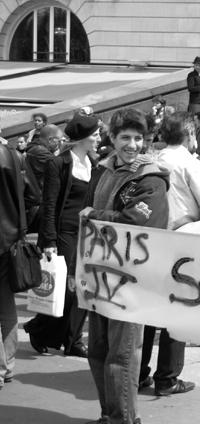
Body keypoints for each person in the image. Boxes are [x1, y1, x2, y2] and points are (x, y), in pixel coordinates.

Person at [82, 108, 171, 424]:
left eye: (138, 138)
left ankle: (122, 422)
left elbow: (136, 222)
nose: (132, 145)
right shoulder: (103, 171)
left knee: (122, 352)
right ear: (113, 140)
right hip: (100, 272)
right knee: (98, 349)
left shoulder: (151, 178)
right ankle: (110, 412)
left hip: (134, 277)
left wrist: (96, 216)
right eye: (125, 138)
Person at [141, 112, 200, 397]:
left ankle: (139, 372)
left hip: (148, 243)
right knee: (176, 310)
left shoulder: (149, 161)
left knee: (148, 308)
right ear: (190, 134)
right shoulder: (191, 165)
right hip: (181, 246)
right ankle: (166, 378)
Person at [23, 114, 99, 359]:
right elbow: (49, 204)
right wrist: (49, 241)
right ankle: (37, 328)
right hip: (64, 232)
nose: (99, 138)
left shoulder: (94, 164)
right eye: (95, 134)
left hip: (87, 233)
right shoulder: (59, 163)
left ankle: (73, 340)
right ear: (82, 138)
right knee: (66, 290)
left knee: (84, 288)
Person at [0, 142, 21, 389]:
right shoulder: (14, 154)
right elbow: (32, 194)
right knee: (6, 306)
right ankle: (7, 367)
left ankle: (3, 369)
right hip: (9, 236)